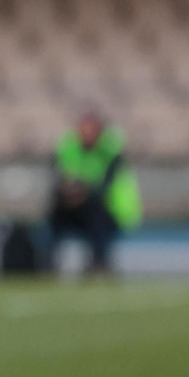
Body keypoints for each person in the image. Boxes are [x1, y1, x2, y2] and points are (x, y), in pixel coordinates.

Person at [48, 111, 141, 275]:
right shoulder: (70, 149)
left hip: (114, 211)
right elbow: (62, 177)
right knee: (55, 214)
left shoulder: (111, 152)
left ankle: (100, 262)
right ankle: (49, 262)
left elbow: (105, 187)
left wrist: (81, 192)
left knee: (97, 215)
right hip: (80, 207)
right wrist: (69, 192)